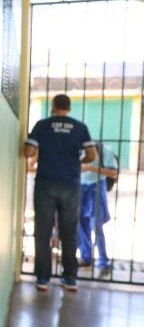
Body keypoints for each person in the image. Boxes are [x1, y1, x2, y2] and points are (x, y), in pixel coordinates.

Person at [24, 94, 96, 293]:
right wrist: (74, 162)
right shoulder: (80, 127)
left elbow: (29, 152)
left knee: (43, 232)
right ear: (69, 108)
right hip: (70, 185)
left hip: (46, 185)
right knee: (69, 232)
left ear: (53, 106)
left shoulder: (42, 125)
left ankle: (42, 279)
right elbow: (92, 155)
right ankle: (70, 278)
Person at [78, 142, 118, 277]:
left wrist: (90, 168)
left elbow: (113, 173)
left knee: (96, 225)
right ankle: (86, 257)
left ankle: (103, 261)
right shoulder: (76, 148)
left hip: (96, 187)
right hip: (79, 187)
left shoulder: (103, 150)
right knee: (81, 224)